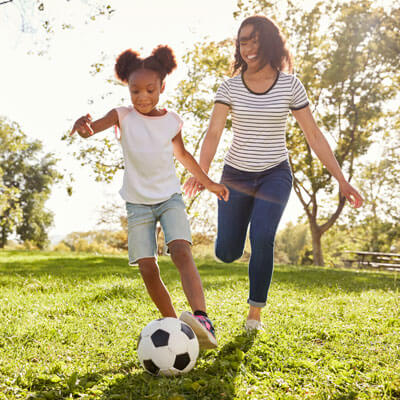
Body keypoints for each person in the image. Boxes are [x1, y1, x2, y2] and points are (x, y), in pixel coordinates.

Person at [184, 16, 363, 332]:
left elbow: (314, 135)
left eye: (254, 39)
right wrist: (202, 173)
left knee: (263, 236)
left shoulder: (290, 85)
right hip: (235, 177)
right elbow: (213, 133)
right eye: (243, 41)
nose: (249, 47)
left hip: (274, 174)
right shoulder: (229, 88)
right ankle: (231, 245)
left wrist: (341, 179)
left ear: (268, 42)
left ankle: (255, 315)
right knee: (227, 252)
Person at [70, 45, 230, 349]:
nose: (142, 96)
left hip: (169, 197)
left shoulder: (172, 121)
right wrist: (82, 126)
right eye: (135, 91)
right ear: (127, 89)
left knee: (182, 251)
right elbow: (91, 131)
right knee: (147, 267)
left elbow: (182, 155)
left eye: (150, 89)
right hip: (138, 204)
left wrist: (208, 182)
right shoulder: (122, 115)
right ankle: (174, 326)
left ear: (162, 87)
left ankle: (202, 317)